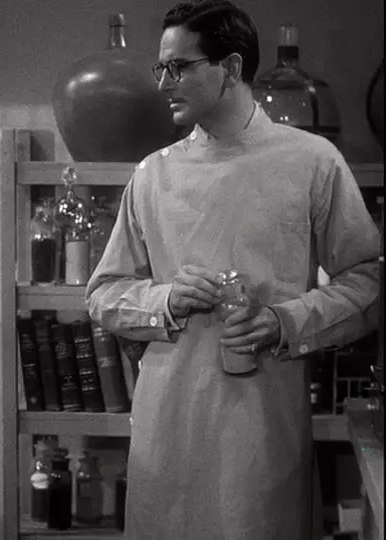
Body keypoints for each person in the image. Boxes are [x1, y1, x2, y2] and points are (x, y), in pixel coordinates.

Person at [85, 1, 381, 539]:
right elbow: (103, 293)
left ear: (232, 67)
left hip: (261, 435)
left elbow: (368, 281)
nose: (164, 83)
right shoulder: (152, 175)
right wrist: (165, 300)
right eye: (162, 68)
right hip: (166, 435)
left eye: (180, 67)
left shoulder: (312, 162)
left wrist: (285, 322)